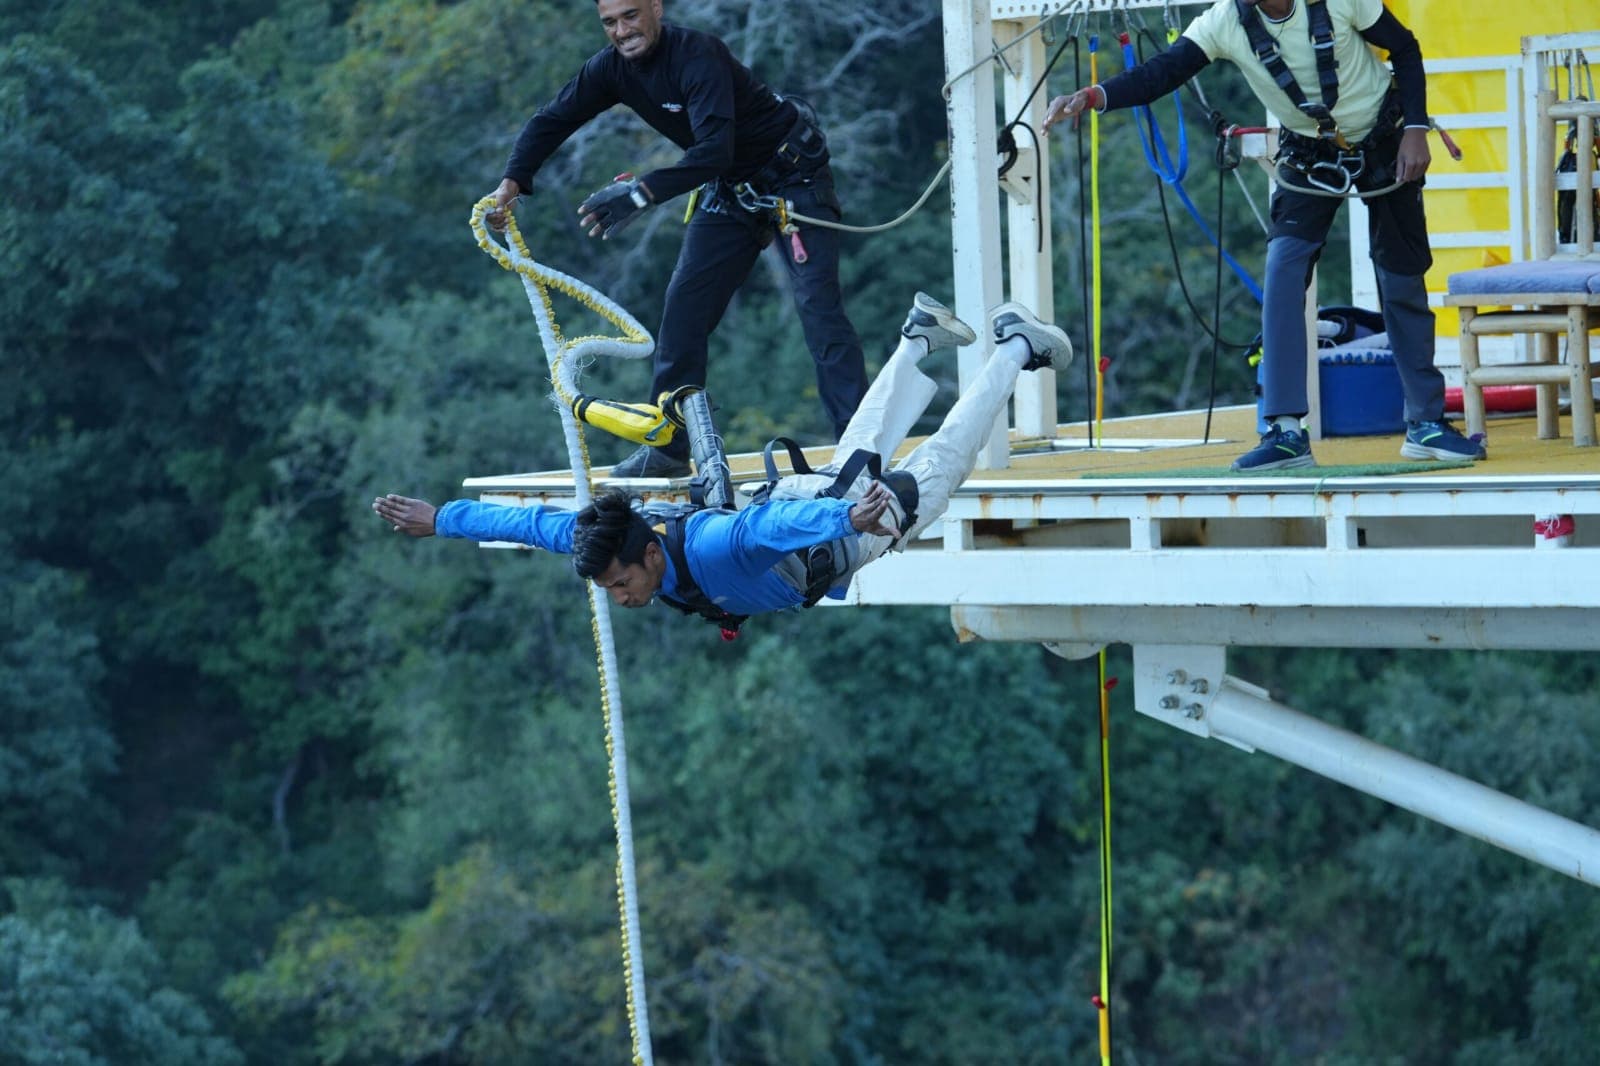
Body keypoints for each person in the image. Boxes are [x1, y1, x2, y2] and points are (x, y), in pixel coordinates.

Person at [372, 296, 1070, 629]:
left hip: (824, 532)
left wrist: (844, 517)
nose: (618, 596)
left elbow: (765, 534)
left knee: (942, 469)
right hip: (797, 508)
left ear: (649, 554)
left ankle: (1014, 346)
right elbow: (531, 526)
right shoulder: (610, 536)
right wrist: (443, 520)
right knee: (859, 453)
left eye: (619, 584)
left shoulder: (708, 544)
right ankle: (917, 340)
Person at [1041, 0, 1486, 470]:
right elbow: (1160, 73)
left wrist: (1416, 129)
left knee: (1400, 276)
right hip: (1309, 151)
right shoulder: (1224, 21)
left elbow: (1405, 48)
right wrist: (1092, 95)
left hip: (1385, 134)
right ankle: (1286, 431)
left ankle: (1425, 423)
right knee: (1283, 270)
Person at [485, 0, 869, 479]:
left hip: (792, 180)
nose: (622, 31)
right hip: (732, 192)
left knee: (819, 309)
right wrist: (511, 184)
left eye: (631, 16)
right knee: (684, 309)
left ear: (656, 8)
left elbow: (712, 151)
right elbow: (551, 120)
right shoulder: (610, 69)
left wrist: (639, 194)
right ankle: (668, 447)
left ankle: (858, 443)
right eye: (610, 23)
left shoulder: (697, 54)